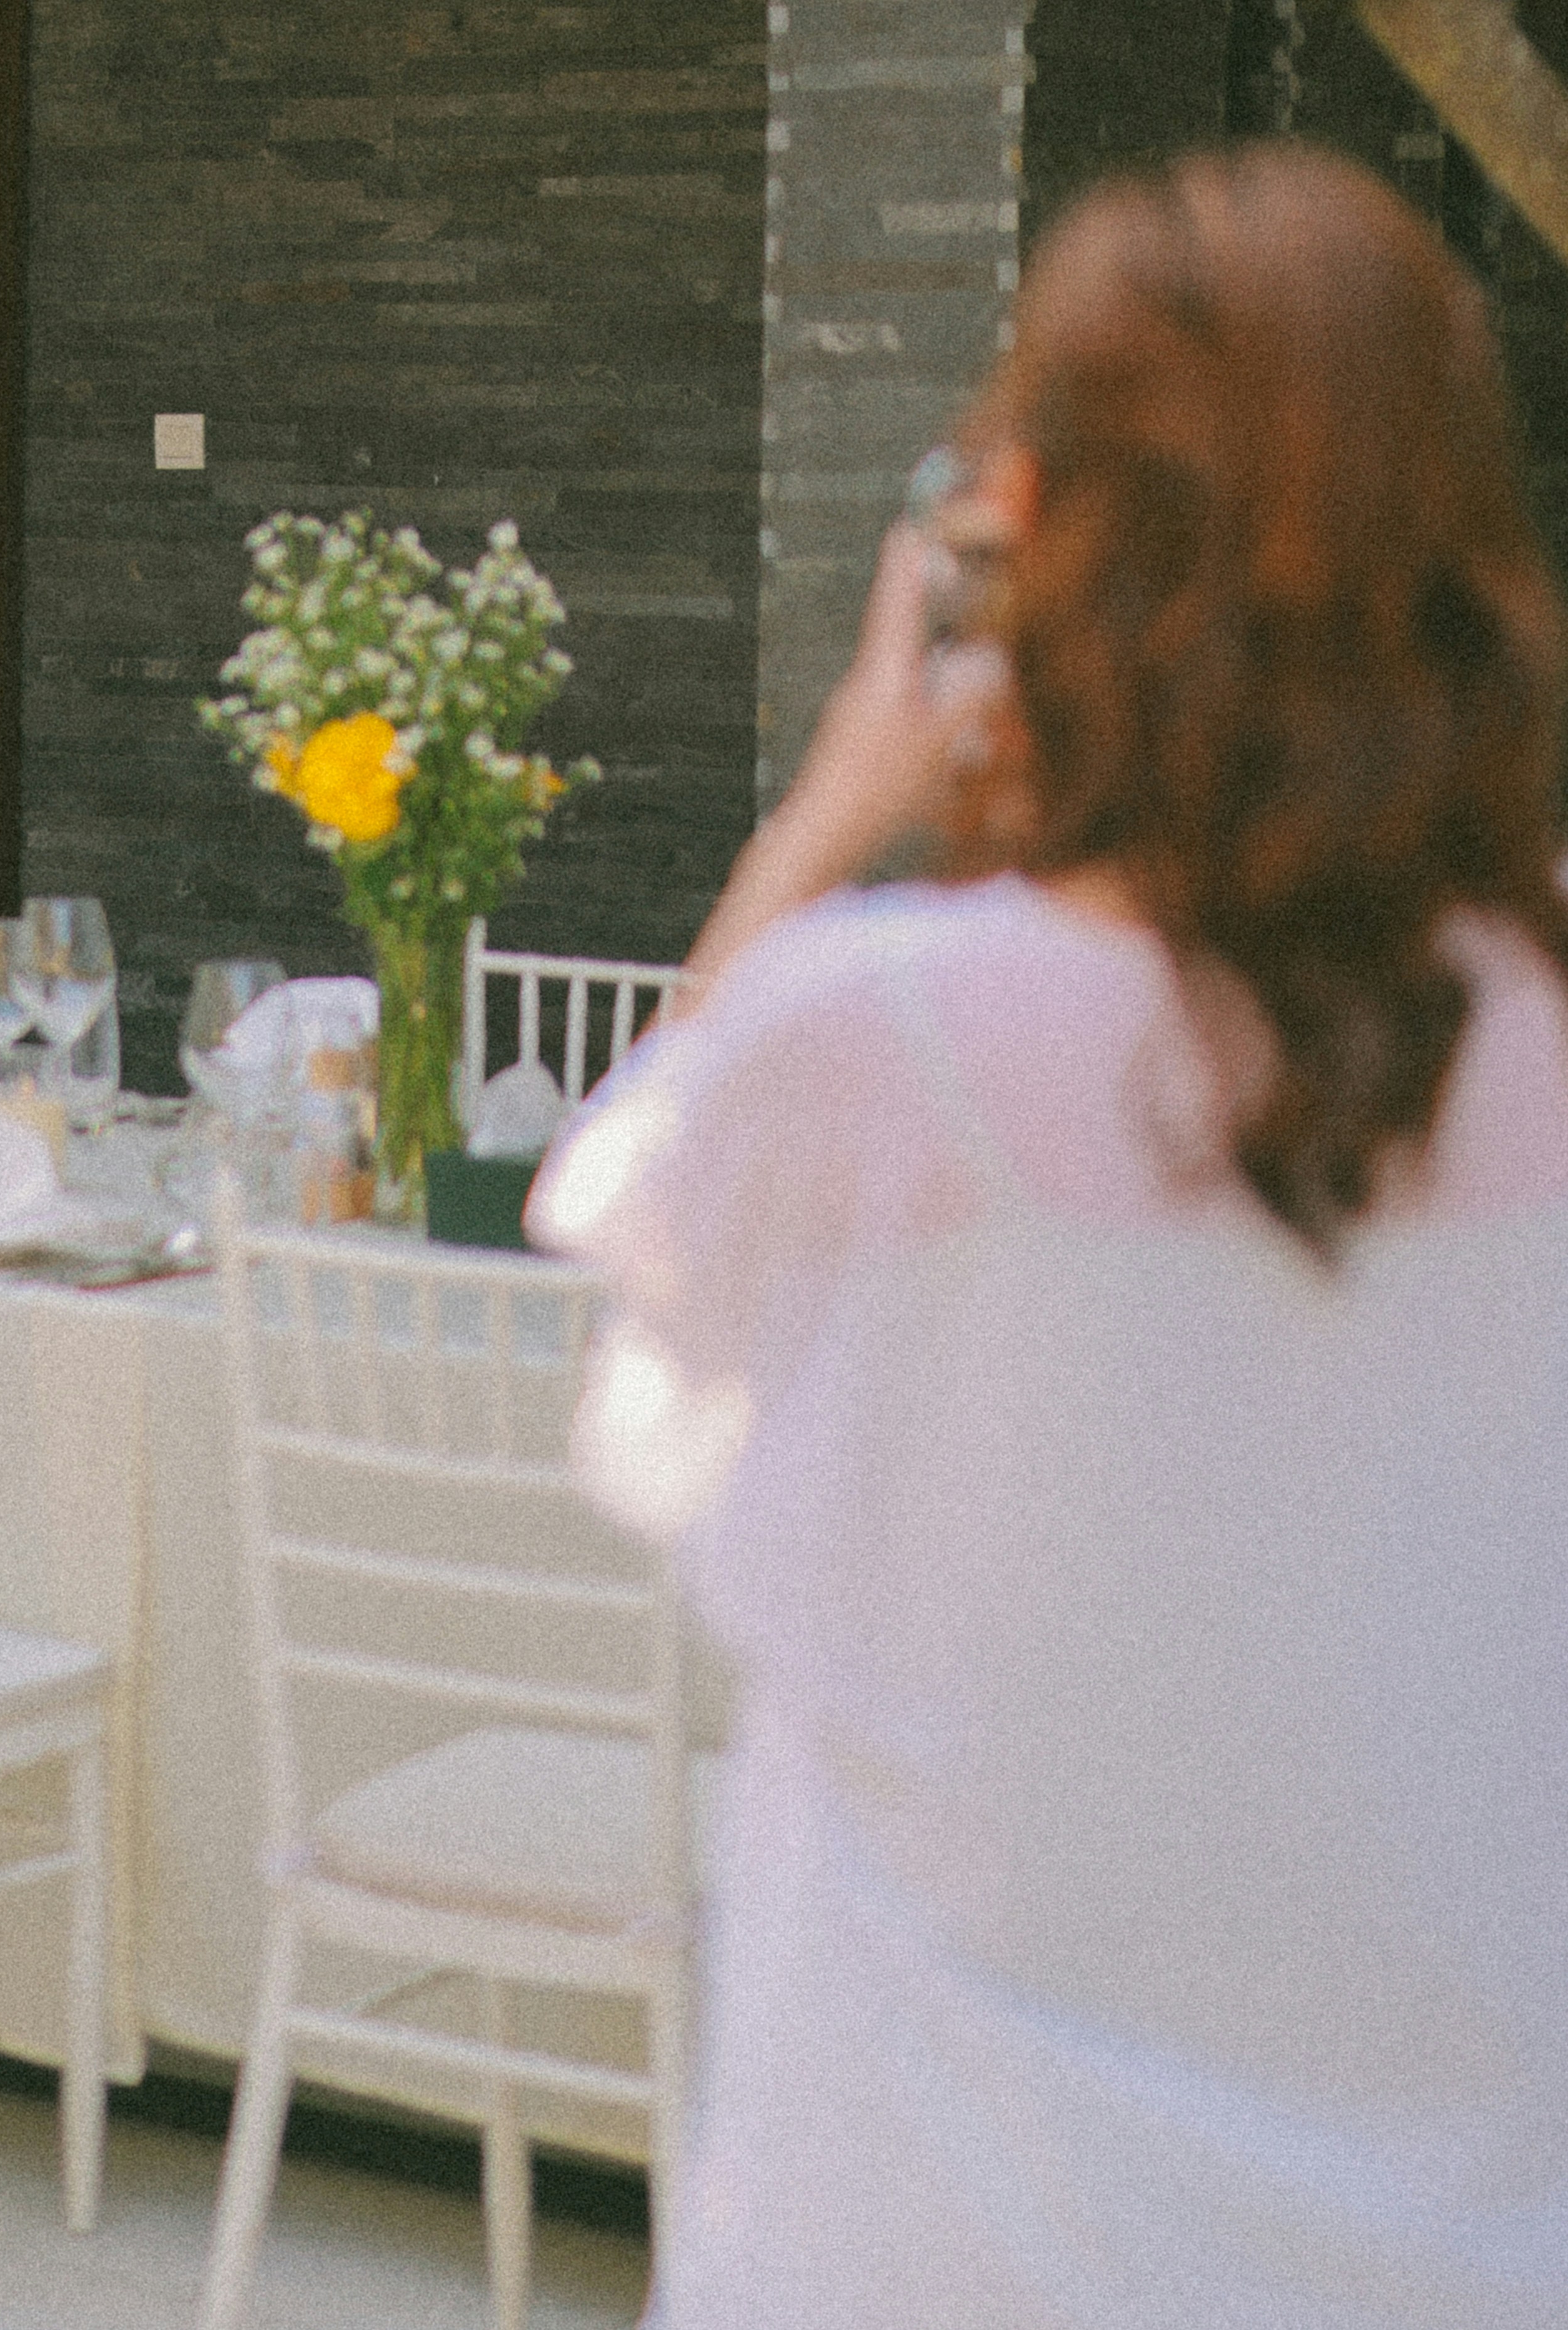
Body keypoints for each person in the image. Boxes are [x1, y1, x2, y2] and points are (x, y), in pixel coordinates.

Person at [536, 144, 1568, 2329]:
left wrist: (844, 789)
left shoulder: (888, 1027)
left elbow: (629, 1260)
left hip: (940, 2233)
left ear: (1050, 546)